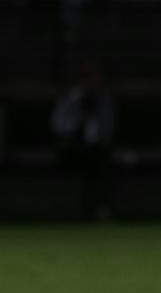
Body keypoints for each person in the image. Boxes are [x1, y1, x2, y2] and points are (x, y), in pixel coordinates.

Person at [50, 62, 118, 221]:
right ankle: (77, 210)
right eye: (91, 78)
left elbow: (109, 126)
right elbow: (57, 124)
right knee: (85, 166)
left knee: (102, 167)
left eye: (97, 78)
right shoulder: (71, 99)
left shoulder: (104, 99)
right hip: (73, 147)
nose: (95, 82)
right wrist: (77, 123)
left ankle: (101, 209)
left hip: (97, 148)